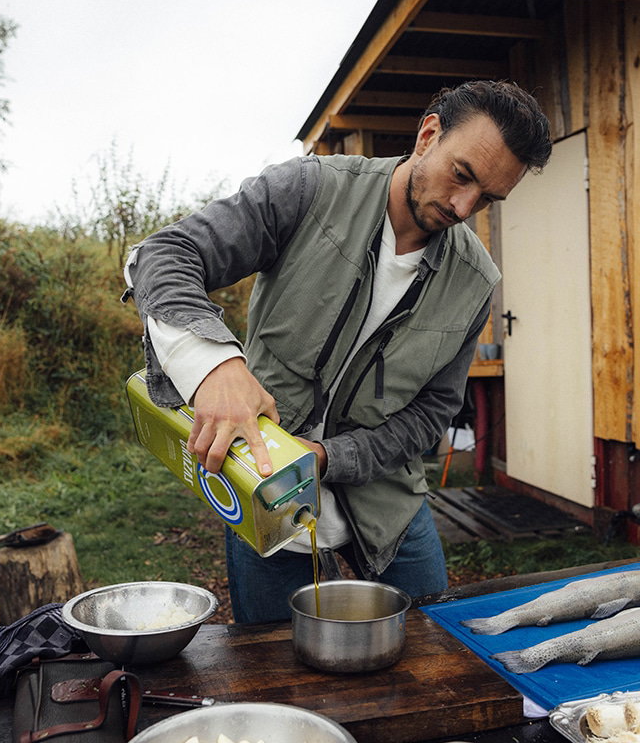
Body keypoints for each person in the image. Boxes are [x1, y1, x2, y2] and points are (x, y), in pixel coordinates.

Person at [123, 80, 552, 623]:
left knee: (435, 653)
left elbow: (430, 417)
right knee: (271, 672)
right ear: (428, 135)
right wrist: (216, 368)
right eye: (462, 175)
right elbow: (165, 255)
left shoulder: (475, 284)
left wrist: (331, 458)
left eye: (488, 198)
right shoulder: (309, 190)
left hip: (389, 506)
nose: (464, 206)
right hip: (263, 487)